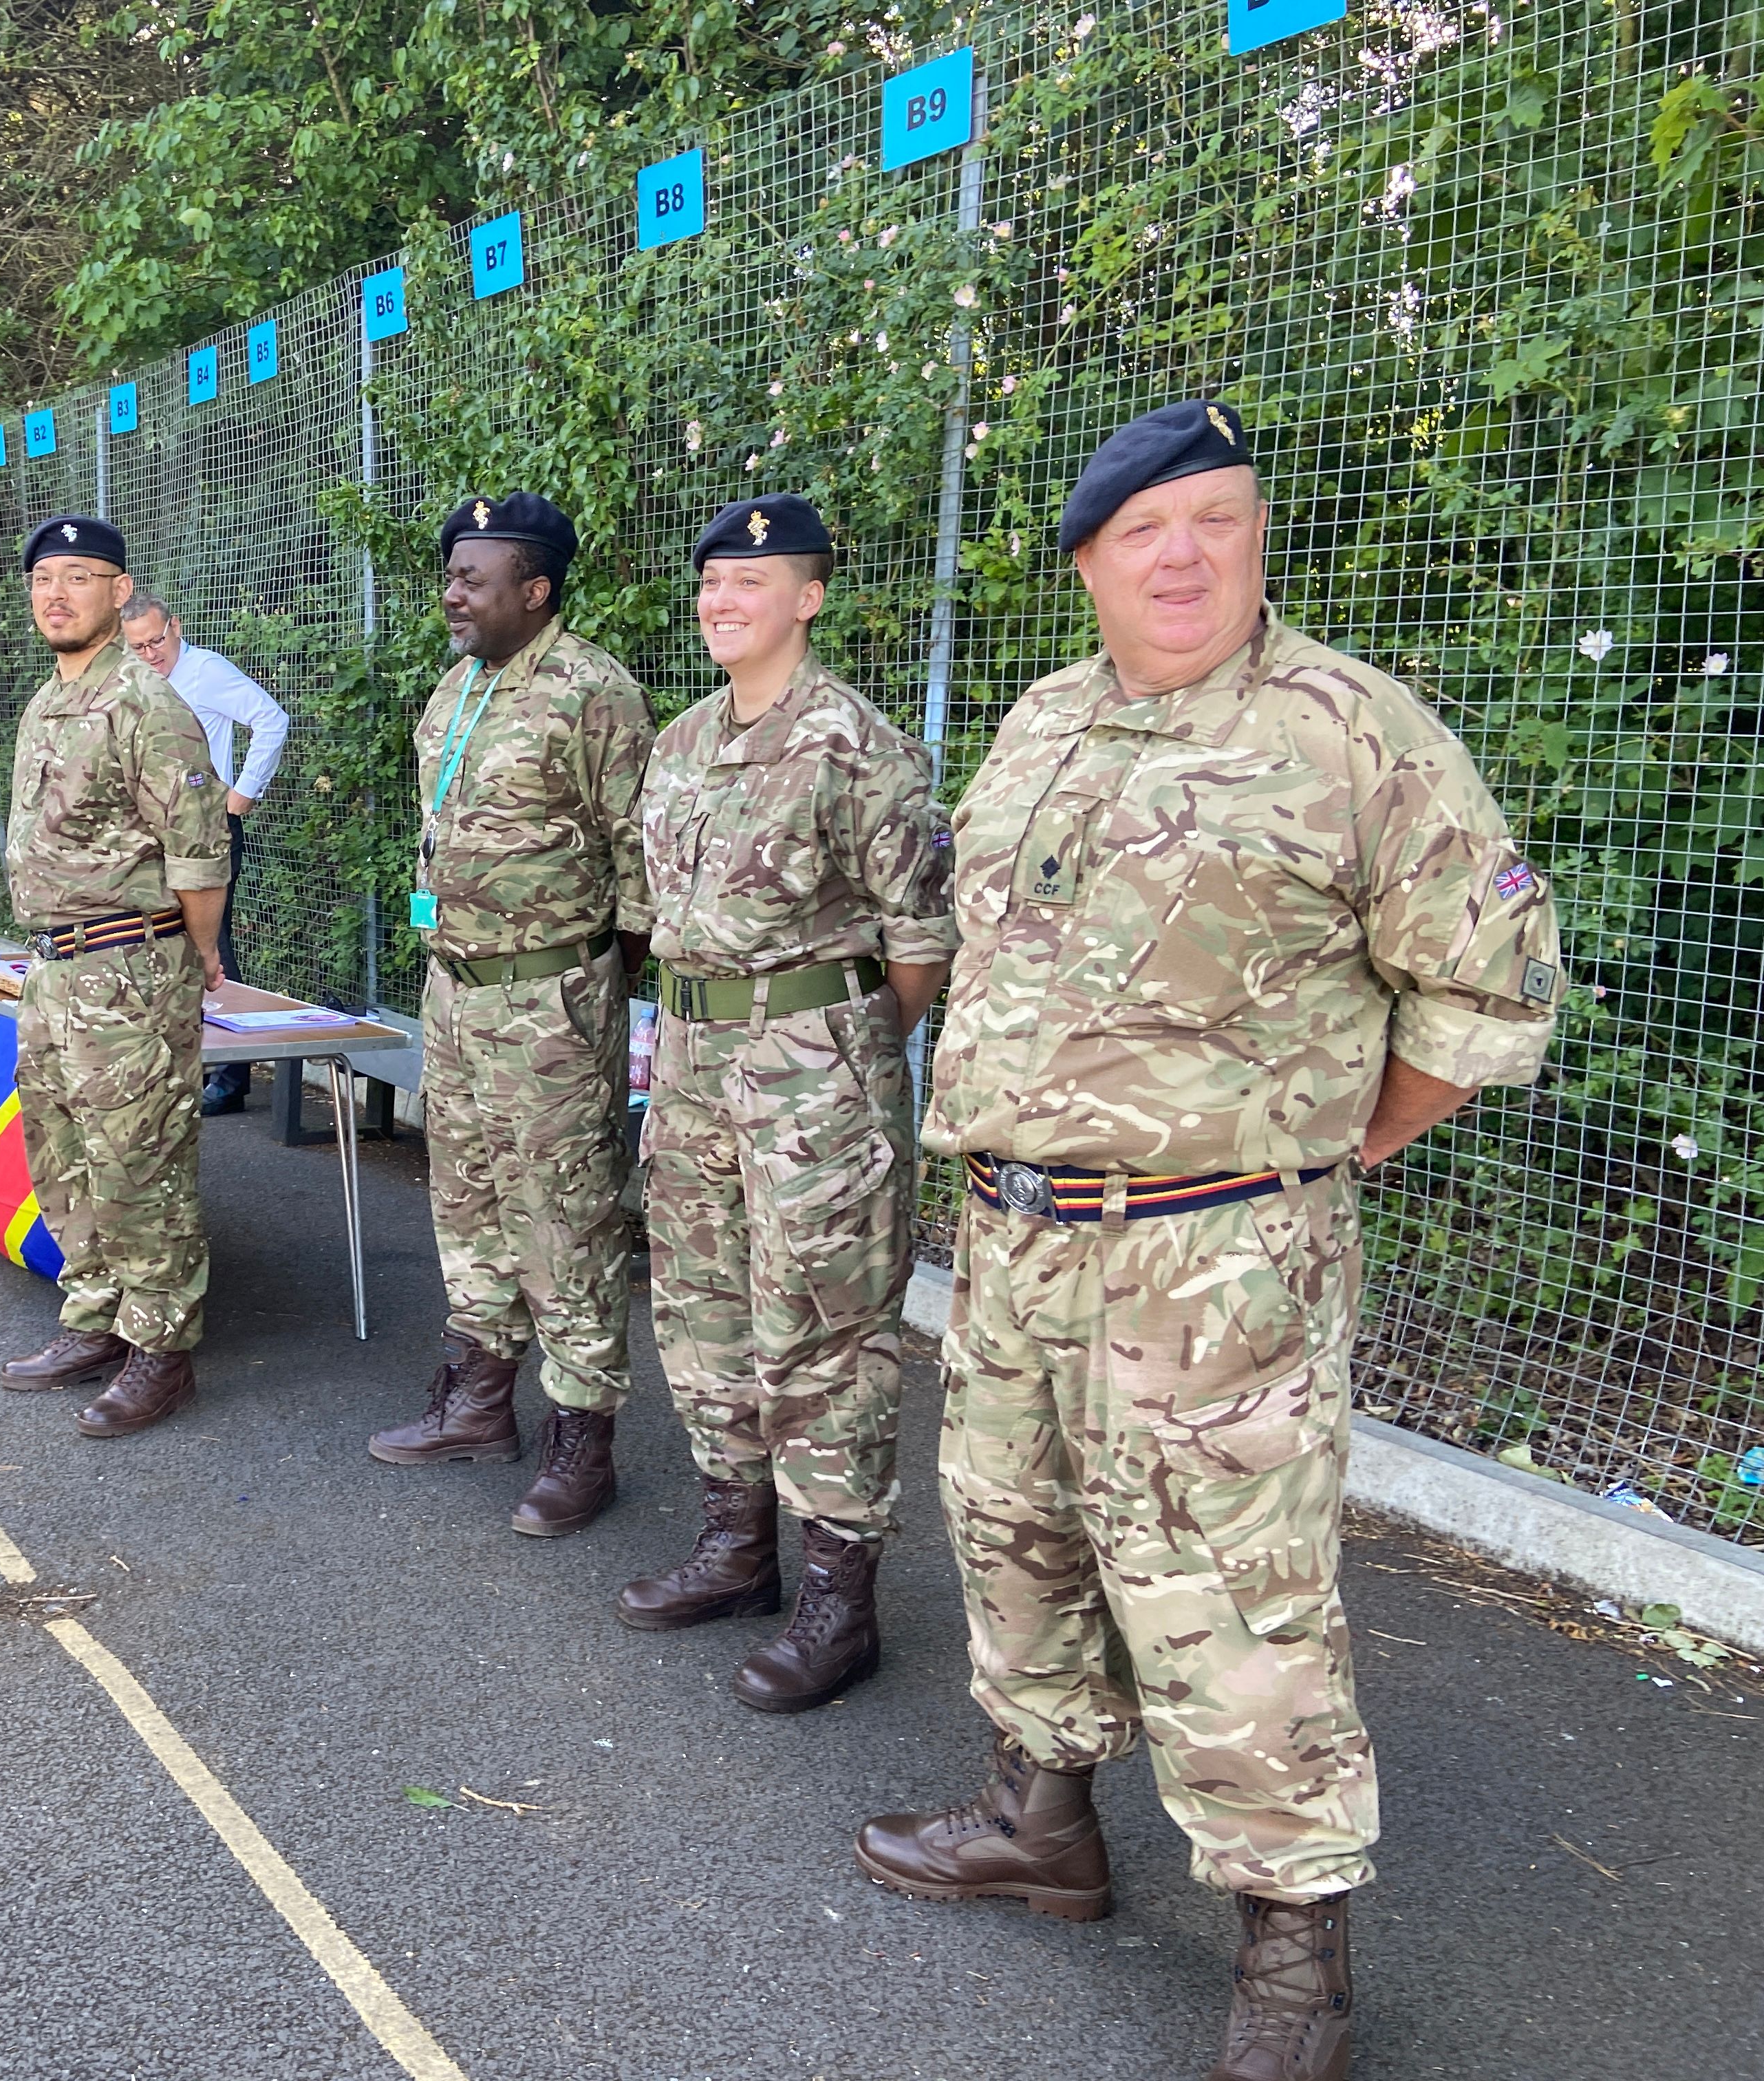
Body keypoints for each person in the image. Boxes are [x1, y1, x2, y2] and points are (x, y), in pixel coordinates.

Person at [853, 401, 1562, 2081]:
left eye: (1216, 522)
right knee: (1016, 1542)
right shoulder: (1041, 721)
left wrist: (1333, 1149)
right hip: (1019, 1239)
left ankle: (1295, 1972)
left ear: (1256, 538)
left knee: (1233, 1611)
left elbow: (1487, 984)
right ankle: (1044, 1825)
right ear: (1089, 561)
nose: (1182, 556)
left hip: (1215, 1260)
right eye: (1143, 532)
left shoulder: (1350, 732)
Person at [620, 494, 956, 1711]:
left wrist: (841, 1045)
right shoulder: (681, 741)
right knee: (703, 1310)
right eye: (710, 581)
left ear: (806, 598)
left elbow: (921, 939)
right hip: (696, 1061)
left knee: (823, 1329)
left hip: (816, 1076)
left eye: (749, 583)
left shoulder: (856, 745)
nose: (720, 601)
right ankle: (734, 1541)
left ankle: (839, 1598)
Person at [366, 492, 652, 1538]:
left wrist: (584, 983)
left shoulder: (593, 693)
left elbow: (639, 861)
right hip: (456, 990)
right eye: (449, 573)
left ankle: (584, 1442)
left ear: (535, 592)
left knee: (565, 1217)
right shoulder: (455, 689)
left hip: (548, 1002)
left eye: (472, 579)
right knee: (469, 1200)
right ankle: (479, 1401)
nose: (451, 592)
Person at [0, 515, 230, 1438]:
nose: (58, 594)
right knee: (64, 1153)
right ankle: (95, 1318)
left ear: (120, 592)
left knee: (140, 1165)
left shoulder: (146, 704)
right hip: (56, 971)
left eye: (81, 577)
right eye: (45, 578)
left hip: (132, 967)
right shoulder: (47, 701)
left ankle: (163, 1351)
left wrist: (200, 955)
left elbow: (199, 852)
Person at [118, 593, 290, 1116]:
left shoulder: (207, 672)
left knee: (210, 944)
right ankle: (174, 1059)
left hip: (208, 831)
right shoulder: (135, 679)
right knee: (158, 943)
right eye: (137, 647)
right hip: (155, 835)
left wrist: (243, 793)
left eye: (156, 641)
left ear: (177, 626)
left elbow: (271, 719)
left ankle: (231, 1078)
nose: (150, 654)